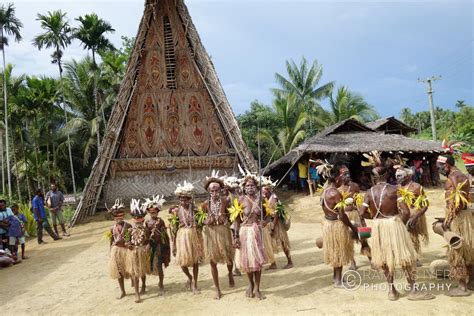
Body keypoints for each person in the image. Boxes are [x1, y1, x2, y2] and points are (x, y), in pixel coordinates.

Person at [359, 154, 434, 301]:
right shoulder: (394, 190)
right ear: (386, 174)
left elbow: (361, 213)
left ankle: (392, 291)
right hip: (394, 224)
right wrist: (401, 223)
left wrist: (375, 218)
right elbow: (405, 212)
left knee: (385, 259)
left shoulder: (369, 193)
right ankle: (413, 289)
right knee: (405, 256)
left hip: (379, 227)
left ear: (374, 178)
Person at [318, 160, 358, 287]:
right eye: (341, 178)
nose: (342, 181)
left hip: (328, 224)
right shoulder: (335, 193)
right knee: (338, 251)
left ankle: (336, 277)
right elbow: (341, 215)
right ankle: (338, 281)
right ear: (336, 179)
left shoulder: (325, 191)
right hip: (336, 225)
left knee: (336, 252)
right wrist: (352, 227)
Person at [442, 156, 474, 296]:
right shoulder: (463, 176)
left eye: (441, 166)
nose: (441, 168)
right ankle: (472, 281)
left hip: (458, 217)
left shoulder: (453, 178)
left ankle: (462, 287)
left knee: (458, 250)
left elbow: (457, 203)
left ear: (447, 165)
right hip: (466, 215)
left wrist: (448, 220)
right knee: (468, 248)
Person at [201, 171, 235, 300]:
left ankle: (230, 274)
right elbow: (200, 219)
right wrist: (205, 221)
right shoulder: (205, 204)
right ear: (208, 192)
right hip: (211, 233)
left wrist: (229, 222)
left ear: (221, 190)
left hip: (223, 231)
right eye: (212, 191)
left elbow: (232, 216)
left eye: (217, 190)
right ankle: (217, 288)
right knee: (212, 261)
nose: (214, 193)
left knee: (228, 257)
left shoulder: (226, 201)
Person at [233, 173, 267, 300]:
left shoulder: (261, 200)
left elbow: (268, 214)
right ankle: (251, 284)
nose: (250, 187)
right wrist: (236, 236)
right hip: (244, 231)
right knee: (246, 260)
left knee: (257, 261)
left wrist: (265, 221)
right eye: (247, 185)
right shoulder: (240, 200)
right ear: (244, 187)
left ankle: (257, 288)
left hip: (256, 232)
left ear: (256, 187)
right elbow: (236, 220)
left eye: (252, 185)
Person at [169, 181, 202, 295]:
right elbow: (173, 230)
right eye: (181, 200)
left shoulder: (195, 209)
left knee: (195, 262)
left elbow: (201, 224)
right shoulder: (176, 211)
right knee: (182, 263)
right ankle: (190, 277)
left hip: (193, 236)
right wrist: (173, 245)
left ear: (190, 199)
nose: (183, 202)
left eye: (186, 199)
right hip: (182, 237)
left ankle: (195, 284)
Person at [337, 166, 371, 271]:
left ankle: (371, 259)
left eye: (348, 173)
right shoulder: (338, 189)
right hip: (345, 216)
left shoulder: (355, 186)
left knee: (364, 238)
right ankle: (352, 263)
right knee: (348, 240)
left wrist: (361, 216)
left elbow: (359, 201)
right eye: (345, 174)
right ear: (340, 176)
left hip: (356, 213)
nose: (348, 176)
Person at [396, 167, 429, 266]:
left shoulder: (417, 187)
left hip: (413, 214)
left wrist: (416, 216)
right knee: (402, 236)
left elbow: (425, 204)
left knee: (412, 237)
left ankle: (414, 257)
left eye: (400, 176)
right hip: (401, 214)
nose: (398, 178)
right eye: (396, 176)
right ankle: (405, 255)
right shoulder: (397, 187)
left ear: (408, 176)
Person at [261, 177, 293, 269]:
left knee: (283, 242)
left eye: (265, 191)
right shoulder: (265, 199)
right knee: (269, 244)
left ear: (269, 190)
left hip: (276, 224)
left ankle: (290, 261)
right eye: (262, 191)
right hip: (269, 223)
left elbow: (276, 214)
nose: (263, 193)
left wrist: (272, 228)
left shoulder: (273, 198)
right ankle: (273, 263)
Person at [144, 195, 170, 295]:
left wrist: (164, 244)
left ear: (157, 212)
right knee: (149, 265)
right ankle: (144, 285)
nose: (152, 214)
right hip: (151, 246)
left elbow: (164, 235)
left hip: (159, 246)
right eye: (151, 212)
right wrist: (147, 244)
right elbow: (146, 235)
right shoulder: (147, 222)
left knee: (159, 266)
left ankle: (161, 284)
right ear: (148, 213)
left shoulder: (161, 221)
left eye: (154, 212)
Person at [125, 199, 150, 303]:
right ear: (133, 219)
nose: (138, 221)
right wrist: (128, 245)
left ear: (143, 220)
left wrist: (147, 246)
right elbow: (126, 241)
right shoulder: (129, 230)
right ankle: (137, 294)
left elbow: (148, 241)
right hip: (133, 253)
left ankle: (143, 285)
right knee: (135, 273)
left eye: (140, 219)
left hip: (142, 252)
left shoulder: (145, 230)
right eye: (136, 219)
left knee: (142, 271)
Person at [107, 199, 131, 300]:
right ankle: (122, 291)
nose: (119, 218)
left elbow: (131, 239)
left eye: (121, 216)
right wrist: (110, 251)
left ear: (123, 216)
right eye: (117, 217)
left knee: (130, 270)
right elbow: (111, 241)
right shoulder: (112, 229)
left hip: (126, 250)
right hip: (116, 251)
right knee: (119, 272)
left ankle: (137, 285)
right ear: (114, 218)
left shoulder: (128, 226)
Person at [223, 175, 243, 277]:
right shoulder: (234, 197)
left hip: (236, 225)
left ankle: (237, 268)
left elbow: (235, 215)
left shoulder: (232, 198)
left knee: (236, 246)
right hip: (235, 225)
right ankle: (238, 267)